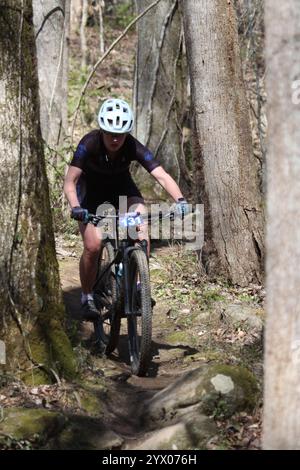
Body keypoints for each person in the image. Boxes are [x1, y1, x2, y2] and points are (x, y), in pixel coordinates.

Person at [64, 98, 188, 320]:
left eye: (120, 135)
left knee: (140, 231)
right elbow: (70, 182)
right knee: (93, 246)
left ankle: (139, 287)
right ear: (102, 130)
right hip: (90, 194)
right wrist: (76, 207)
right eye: (110, 133)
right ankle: (87, 297)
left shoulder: (132, 145)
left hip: (122, 191)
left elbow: (161, 175)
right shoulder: (89, 143)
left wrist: (180, 200)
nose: (115, 139)